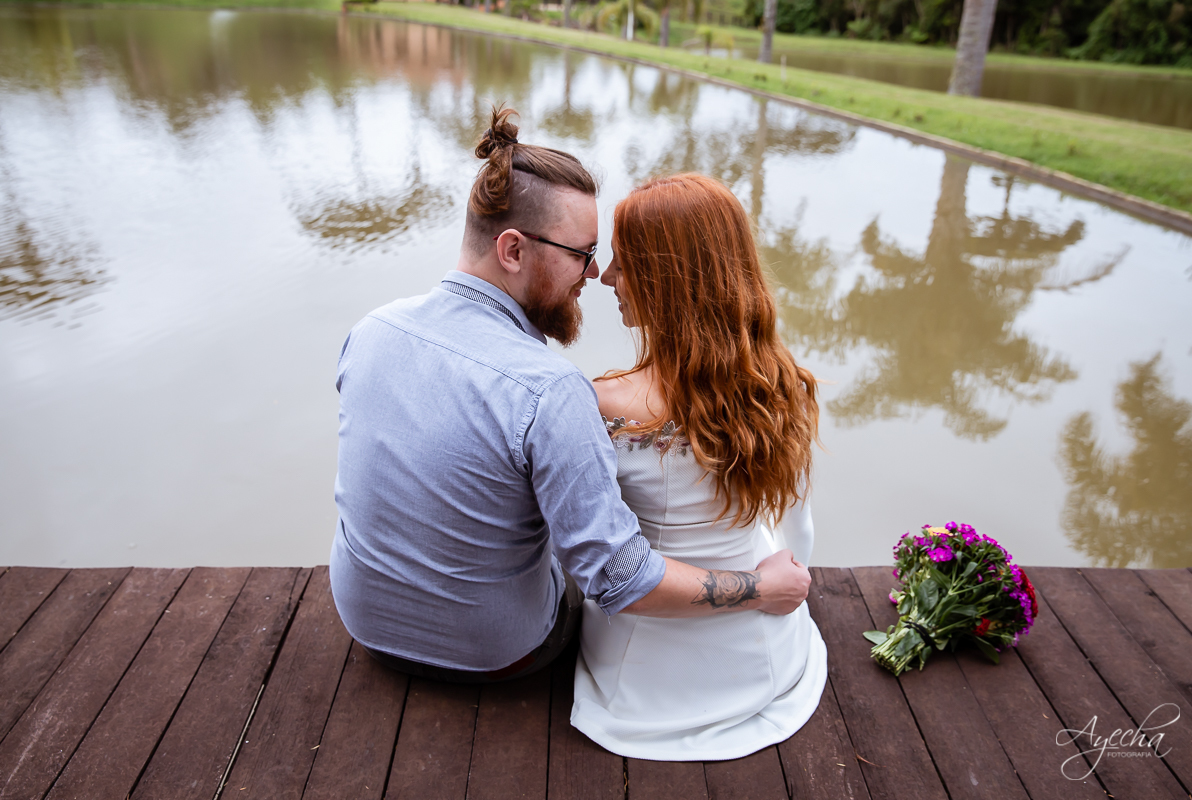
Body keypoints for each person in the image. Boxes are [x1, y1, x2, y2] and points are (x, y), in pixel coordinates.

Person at [329, 107, 813, 684]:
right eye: (582, 254)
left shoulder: (372, 329)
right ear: (512, 251)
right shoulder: (549, 388)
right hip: (498, 656)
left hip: (367, 629)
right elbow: (619, 579)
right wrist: (761, 588)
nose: (594, 275)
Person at [571, 173, 828, 760]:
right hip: (761, 651)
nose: (606, 277)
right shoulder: (782, 384)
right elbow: (796, 531)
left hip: (645, 670)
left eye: (622, 262)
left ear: (666, 279)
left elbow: (590, 552)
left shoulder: (602, 401)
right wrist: (781, 589)